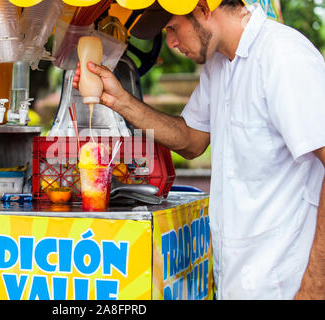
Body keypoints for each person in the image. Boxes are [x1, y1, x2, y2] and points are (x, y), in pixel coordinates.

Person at [73, 0, 325, 299]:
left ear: (204, 8)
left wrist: (315, 288)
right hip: (238, 282)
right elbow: (191, 140)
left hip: (288, 285)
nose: (171, 42)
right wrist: (120, 101)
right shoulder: (219, 64)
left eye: (173, 28)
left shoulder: (283, 56)